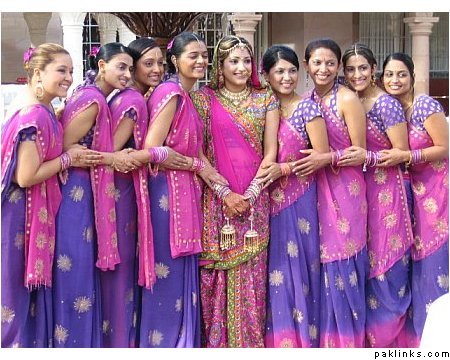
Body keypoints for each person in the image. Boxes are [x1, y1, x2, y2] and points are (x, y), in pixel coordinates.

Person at [1, 43, 98, 347]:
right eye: (61, 70)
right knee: (12, 300)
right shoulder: (34, 115)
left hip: (23, 214)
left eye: (71, 71)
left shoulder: (40, 109)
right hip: (18, 218)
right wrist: (69, 159)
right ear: (38, 73)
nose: (69, 77)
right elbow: (26, 176)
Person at [136, 32, 224, 348]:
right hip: (166, 193)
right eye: (193, 56)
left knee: (179, 271)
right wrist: (196, 167)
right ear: (176, 61)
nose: (201, 60)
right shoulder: (171, 93)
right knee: (166, 272)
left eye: (204, 55)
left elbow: (193, 149)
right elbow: (152, 148)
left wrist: (214, 179)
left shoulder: (186, 96)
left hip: (183, 191)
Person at [191, 35, 280, 348]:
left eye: (246, 61)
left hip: (255, 199)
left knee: (253, 274)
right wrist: (223, 191)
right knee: (215, 278)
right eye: (234, 61)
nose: (241, 67)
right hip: (217, 200)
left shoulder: (266, 97)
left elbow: (272, 152)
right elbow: (197, 152)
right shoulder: (203, 99)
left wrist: (252, 192)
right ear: (221, 65)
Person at [52, 42, 138, 347]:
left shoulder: (94, 95)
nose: (127, 74)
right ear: (101, 66)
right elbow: (60, 146)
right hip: (77, 191)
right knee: (75, 265)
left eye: (130, 68)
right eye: (121, 67)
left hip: (85, 187)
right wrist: (111, 159)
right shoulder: (92, 100)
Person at [341, 43, 414, 347]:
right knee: (367, 263)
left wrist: (366, 158)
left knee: (387, 263)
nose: (357, 74)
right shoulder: (347, 101)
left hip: (388, 192)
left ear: (373, 71)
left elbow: (403, 153)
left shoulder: (385, 104)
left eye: (363, 68)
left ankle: (391, 342)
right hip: (359, 193)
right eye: (351, 69)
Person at [99, 37, 165, 348]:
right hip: (119, 191)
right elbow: (110, 152)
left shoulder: (128, 97)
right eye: (148, 63)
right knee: (122, 269)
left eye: (161, 64)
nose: (157, 70)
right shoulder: (133, 102)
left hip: (120, 190)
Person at [301, 38, 368, 347]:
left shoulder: (347, 99)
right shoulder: (307, 99)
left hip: (346, 190)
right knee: (322, 261)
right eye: (317, 62)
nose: (323, 68)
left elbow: (360, 153)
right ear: (307, 66)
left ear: (339, 66)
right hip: (316, 188)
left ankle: (348, 343)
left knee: (344, 259)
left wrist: (325, 158)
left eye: (330, 63)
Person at [260, 45, 328, 348]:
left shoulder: (307, 108)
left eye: (291, 71)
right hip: (265, 201)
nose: (287, 77)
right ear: (266, 75)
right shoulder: (263, 105)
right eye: (279, 71)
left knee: (299, 269)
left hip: (298, 199)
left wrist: (282, 169)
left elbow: (322, 155)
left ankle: (301, 341)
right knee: (272, 272)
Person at [380, 52, 448, 347]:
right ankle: (418, 343)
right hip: (414, 195)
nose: (395, 80)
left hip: (438, 194)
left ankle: (438, 342)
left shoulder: (424, 105)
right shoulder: (395, 110)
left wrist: (408, 156)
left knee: (435, 266)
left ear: (412, 77)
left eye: (401, 74)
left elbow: (445, 148)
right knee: (417, 269)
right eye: (389, 75)